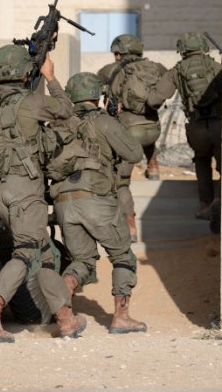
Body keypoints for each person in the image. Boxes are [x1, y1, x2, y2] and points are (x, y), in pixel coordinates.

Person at [0, 44, 86, 343]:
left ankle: (66, 319)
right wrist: (50, 77)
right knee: (26, 252)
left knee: (44, 252)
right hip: (24, 190)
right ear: (24, 73)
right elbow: (66, 110)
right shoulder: (30, 102)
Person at [51, 72, 147, 334]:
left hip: (63, 200)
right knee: (122, 256)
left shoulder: (58, 125)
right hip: (95, 198)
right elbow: (134, 153)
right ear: (98, 95)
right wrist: (116, 122)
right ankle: (121, 317)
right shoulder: (103, 121)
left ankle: (64, 312)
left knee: (82, 260)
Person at [97, 34, 168, 242]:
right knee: (145, 128)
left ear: (118, 53)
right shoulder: (156, 67)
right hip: (153, 129)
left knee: (121, 183)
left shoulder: (110, 70)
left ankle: (130, 227)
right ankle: (153, 166)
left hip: (129, 134)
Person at [147, 32, 222, 221]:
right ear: (204, 48)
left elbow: (155, 99)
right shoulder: (216, 67)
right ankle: (220, 200)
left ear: (182, 50)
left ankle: (205, 205)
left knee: (202, 160)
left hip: (196, 127)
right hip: (219, 125)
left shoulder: (177, 70)